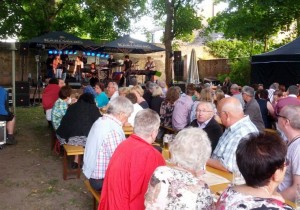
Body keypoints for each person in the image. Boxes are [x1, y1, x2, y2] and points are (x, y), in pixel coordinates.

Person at [99, 109, 165, 209]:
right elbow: (155, 194)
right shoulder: (153, 156)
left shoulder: (123, 144)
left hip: (111, 203)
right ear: (153, 133)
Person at [216, 133, 293, 209]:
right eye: (286, 162)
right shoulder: (278, 208)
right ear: (276, 174)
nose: (287, 165)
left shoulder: (227, 193)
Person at [145, 127, 214, 209]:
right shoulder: (201, 187)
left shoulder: (160, 172)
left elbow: (148, 202)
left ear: (174, 148)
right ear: (203, 155)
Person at [83, 96, 133, 191]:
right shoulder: (112, 130)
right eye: (128, 115)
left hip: (92, 173)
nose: (128, 119)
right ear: (122, 114)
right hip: (100, 180)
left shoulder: (101, 121)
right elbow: (120, 161)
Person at [207, 97, 258, 172]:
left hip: (230, 180)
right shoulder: (234, 126)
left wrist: (202, 159)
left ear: (226, 115)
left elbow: (226, 166)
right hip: (220, 174)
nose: (217, 116)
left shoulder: (241, 132)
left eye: (218, 113)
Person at [56, 93, 101, 168]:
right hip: (78, 138)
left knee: (80, 133)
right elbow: (98, 122)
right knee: (90, 137)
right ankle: (88, 161)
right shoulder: (93, 108)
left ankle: (76, 161)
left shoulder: (72, 106)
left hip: (64, 137)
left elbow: (65, 121)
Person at [277, 105, 300, 202]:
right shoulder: (288, 140)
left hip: (283, 201)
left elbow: (297, 190)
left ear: (286, 122)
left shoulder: (298, 147)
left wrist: (270, 199)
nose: (276, 118)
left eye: (278, 116)